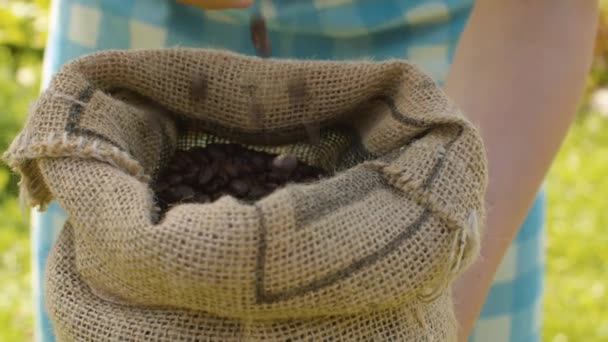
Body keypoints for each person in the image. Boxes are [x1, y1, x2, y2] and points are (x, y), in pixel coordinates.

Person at [34, 1, 598, 341]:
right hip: (143, 55)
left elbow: (539, 11)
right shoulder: (112, 118)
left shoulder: (434, 144)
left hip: (447, 68)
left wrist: (422, 308)